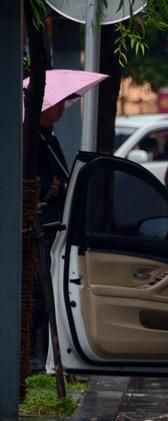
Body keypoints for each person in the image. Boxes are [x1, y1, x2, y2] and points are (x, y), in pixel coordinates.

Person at [32, 98, 71, 372]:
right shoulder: (32, 138)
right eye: (55, 104)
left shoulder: (49, 137)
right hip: (42, 223)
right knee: (40, 289)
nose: (60, 109)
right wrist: (49, 188)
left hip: (55, 220)